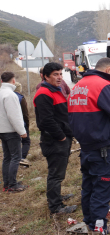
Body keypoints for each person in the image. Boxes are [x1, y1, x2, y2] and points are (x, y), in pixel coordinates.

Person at [68, 57, 110, 235]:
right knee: (102, 192)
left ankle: (90, 225)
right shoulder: (101, 84)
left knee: (89, 189)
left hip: (86, 148)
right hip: (102, 148)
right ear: (109, 69)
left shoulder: (79, 85)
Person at [33, 63, 76, 214]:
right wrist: (62, 137)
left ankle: (57, 197)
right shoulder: (44, 93)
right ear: (45, 76)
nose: (59, 78)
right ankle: (56, 207)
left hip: (60, 138)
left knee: (59, 172)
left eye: (60, 74)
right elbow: (46, 121)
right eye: (55, 75)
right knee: (55, 174)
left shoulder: (55, 89)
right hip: (54, 140)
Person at [0, 72, 27, 192]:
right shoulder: (11, 95)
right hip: (11, 131)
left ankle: (7, 183)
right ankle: (12, 184)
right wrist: (22, 131)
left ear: (1, 81)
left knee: (7, 157)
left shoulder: (1, 93)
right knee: (15, 157)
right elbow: (14, 116)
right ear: (13, 81)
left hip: (2, 130)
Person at [14, 82, 31, 163]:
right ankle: (22, 158)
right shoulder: (21, 98)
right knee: (26, 142)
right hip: (21, 124)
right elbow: (25, 114)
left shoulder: (5, 96)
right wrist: (27, 125)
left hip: (9, 126)